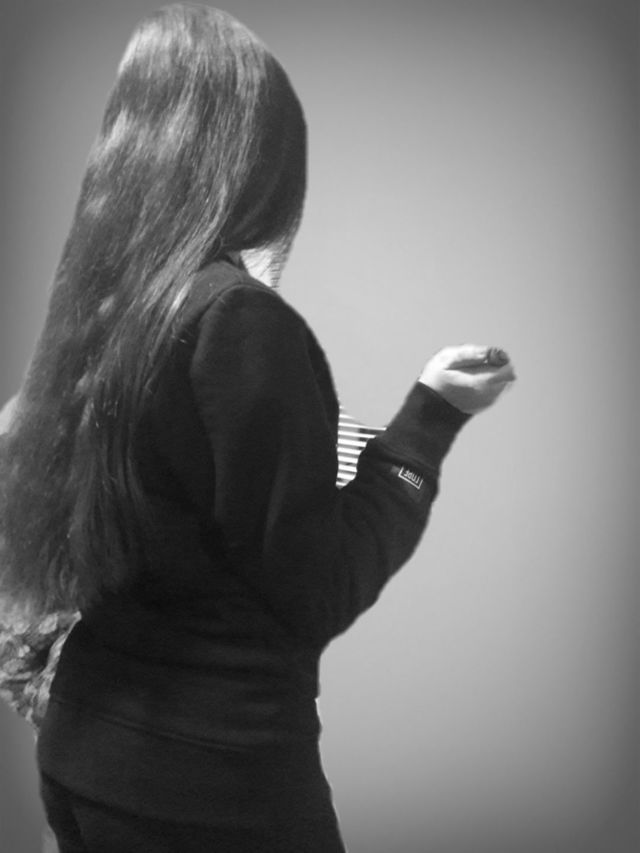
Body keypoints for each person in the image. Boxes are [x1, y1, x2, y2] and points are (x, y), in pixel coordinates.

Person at [0, 5, 516, 851]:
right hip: (214, 788)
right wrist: (430, 422)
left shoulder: (103, 313)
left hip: (85, 756)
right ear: (263, 163)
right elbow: (318, 591)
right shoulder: (236, 321)